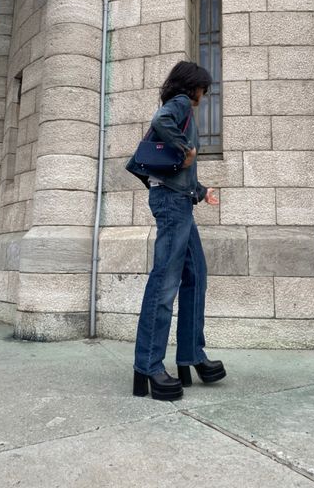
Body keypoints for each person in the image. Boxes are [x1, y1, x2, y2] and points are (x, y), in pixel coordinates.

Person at [126, 61, 226, 401]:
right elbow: (161, 122)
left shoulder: (183, 111)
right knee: (165, 283)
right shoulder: (180, 103)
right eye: (204, 88)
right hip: (170, 204)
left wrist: (202, 191)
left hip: (179, 201)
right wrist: (188, 149)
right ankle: (148, 365)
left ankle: (190, 355)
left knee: (195, 274)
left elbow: (180, 173)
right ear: (192, 85)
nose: (204, 95)